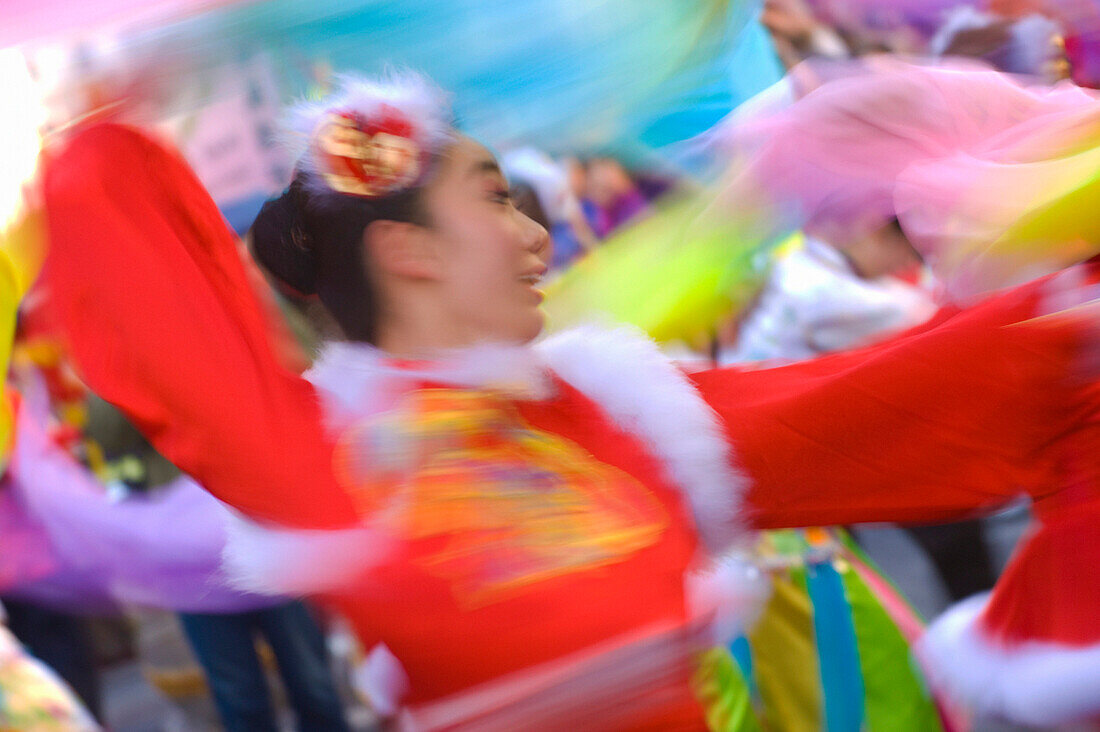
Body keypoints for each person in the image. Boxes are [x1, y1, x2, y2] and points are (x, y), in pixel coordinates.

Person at [39, 73, 1100, 728]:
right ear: (407, 251)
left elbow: (889, 397)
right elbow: (154, 310)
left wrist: (1064, 280)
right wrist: (124, 110)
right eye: (496, 200)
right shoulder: (326, 450)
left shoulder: (613, 416)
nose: (537, 237)